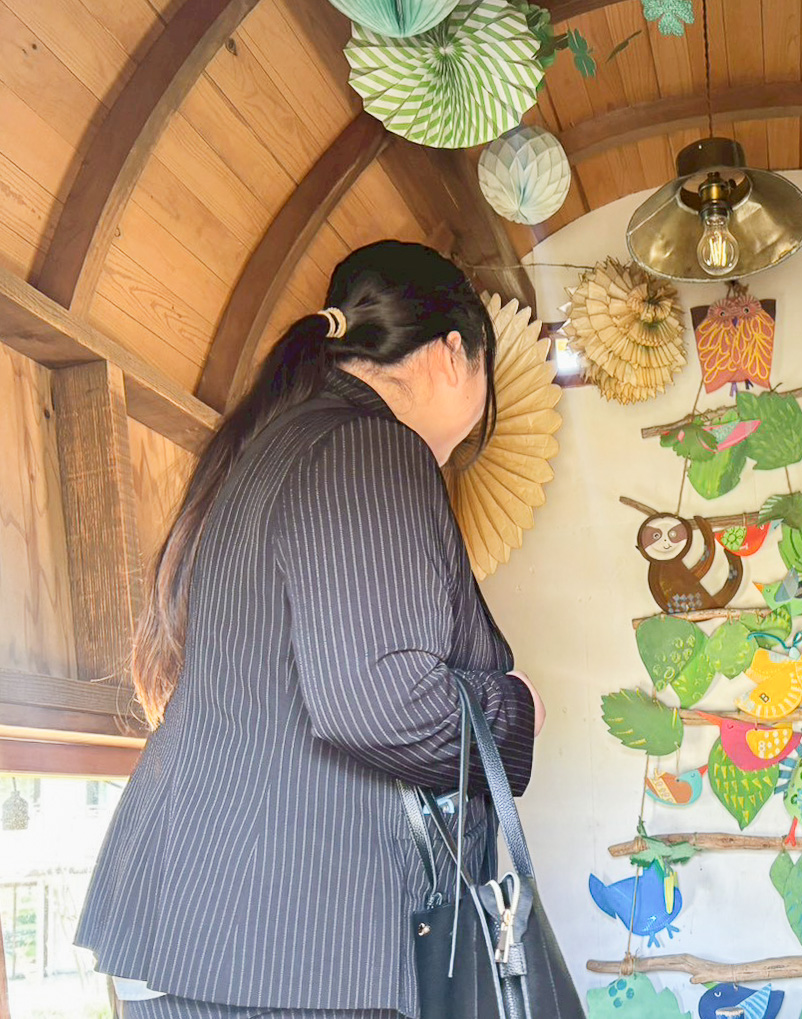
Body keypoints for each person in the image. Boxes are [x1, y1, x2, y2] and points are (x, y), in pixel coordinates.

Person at [76, 241, 545, 1019]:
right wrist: (515, 708)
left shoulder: (272, 447)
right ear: (452, 353)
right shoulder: (369, 445)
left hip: (218, 927)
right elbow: (380, 702)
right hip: (298, 944)